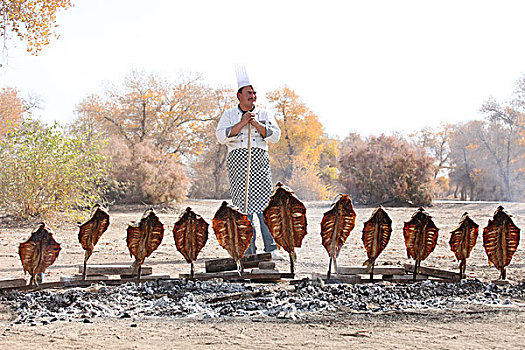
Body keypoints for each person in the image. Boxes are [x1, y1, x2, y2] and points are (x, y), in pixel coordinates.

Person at [216, 66, 281, 256]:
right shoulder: (228, 114)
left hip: (260, 161)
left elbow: (275, 136)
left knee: (264, 205)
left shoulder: (265, 114)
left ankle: (271, 248)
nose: (253, 96)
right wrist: (242, 122)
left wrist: (256, 124)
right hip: (238, 161)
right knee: (243, 206)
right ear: (239, 96)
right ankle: (248, 249)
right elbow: (221, 136)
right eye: (249, 93)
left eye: (254, 93)